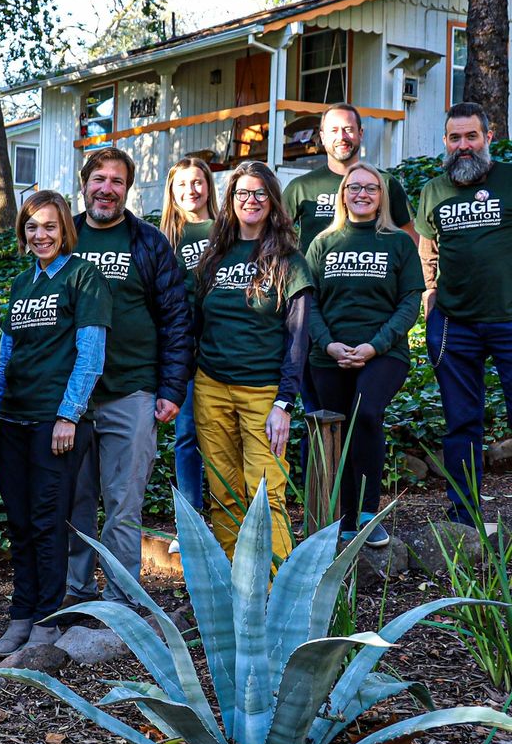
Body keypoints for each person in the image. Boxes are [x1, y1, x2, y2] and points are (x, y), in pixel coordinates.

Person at [0, 191, 110, 656]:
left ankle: (46, 621)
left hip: (55, 422)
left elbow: (91, 354)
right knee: (19, 521)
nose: (40, 235)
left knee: (46, 521)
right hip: (14, 419)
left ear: (65, 231)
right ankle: (21, 616)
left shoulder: (84, 278)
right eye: (32, 227)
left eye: (50, 227)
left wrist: (68, 415)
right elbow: (6, 354)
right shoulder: (21, 284)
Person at [68, 148, 191, 609]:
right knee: (73, 503)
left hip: (132, 390)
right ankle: (75, 594)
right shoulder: (65, 234)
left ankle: (121, 602)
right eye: (98, 178)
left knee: (123, 504)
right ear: (84, 183)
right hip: (71, 400)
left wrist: (172, 388)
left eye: (117, 181)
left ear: (128, 188)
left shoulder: (149, 241)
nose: (106, 188)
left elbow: (176, 318)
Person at [194, 162, 314, 559]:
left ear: (273, 201)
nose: (251, 200)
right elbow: (196, 323)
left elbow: (298, 339)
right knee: (223, 493)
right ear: (229, 201)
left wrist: (284, 403)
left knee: (266, 495)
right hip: (211, 388)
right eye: (242, 193)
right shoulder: (215, 257)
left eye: (260, 193)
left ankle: (273, 593)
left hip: (263, 394)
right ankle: (234, 585)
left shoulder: (290, 261)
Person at [306, 164, 422, 546]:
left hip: (384, 353)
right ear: (343, 194)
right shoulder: (322, 243)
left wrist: (375, 345)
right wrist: (328, 344)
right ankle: (345, 518)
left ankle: (369, 514)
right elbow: (309, 304)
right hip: (330, 355)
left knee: (366, 414)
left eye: (371, 188)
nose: (362, 193)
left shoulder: (398, 243)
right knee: (337, 431)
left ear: (381, 196)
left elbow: (409, 302)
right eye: (354, 187)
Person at [415, 101, 512, 524]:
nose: (464, 145)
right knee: (461, 423)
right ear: (445, 142)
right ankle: (463, 516)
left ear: (488, 138)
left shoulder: (509, 179)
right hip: (455, 323)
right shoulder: (434, 190)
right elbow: (426, 248)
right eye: (455, 138)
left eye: (472, 136)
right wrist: (430, 292)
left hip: (509, 320)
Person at [159, 155, 216, 517]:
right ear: (172, 191)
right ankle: (191, 517)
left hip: (224, 344)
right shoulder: (164, 238)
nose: (190, 190)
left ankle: (233, 513)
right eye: (182, 184)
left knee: (224, 435)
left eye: (197, 182)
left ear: (208, 185)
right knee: (187, 435)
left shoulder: (226, 228)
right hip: (184, 349)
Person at [282, 103, 416, 253]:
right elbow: (273, 234)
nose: (341, 137)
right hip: (315, 276)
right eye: (334, 130)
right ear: (322, 137)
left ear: (361, 133)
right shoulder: (301, 187)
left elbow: (411, 241)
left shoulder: (384, 182)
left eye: (348, 129)